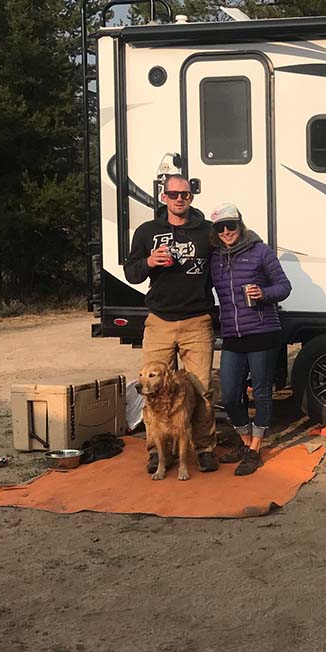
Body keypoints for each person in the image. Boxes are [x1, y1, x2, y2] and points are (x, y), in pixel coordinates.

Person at [124, 172, 219, 473]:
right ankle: (156, 450)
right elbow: (131, 272)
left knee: (201, 391)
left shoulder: (207, 231)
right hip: (160, 321)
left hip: (197, 320)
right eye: (174, 194)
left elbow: (224, 265)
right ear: (163, 197)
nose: (180, 199)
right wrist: (150, 262)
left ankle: (203, 449)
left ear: (191, 197)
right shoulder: (147, 231)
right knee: (151, 389)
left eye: (186, 194)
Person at [209, 203, 292, 476]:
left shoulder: (260, 251)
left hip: (262, 332)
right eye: (220, 227)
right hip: (232, 335)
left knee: (261, 393)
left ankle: (255, 448)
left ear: (240, 225)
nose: (225, 232)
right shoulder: (216, 257)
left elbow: (284, 287)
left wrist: (263, 293)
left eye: (230, 225)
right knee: (231, 395)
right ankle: (245, 442)